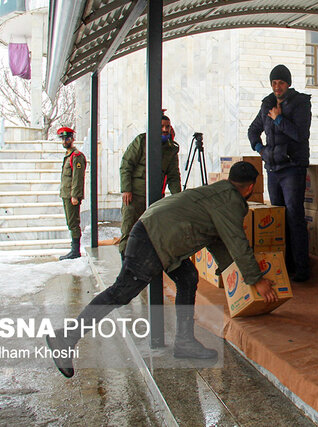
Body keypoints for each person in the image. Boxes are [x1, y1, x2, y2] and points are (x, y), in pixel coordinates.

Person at [46, 161, 278, 378]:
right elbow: (237, 242)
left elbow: (218, 241)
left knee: (187, 277)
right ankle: (66, 337)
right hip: (153, 239)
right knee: (121, 292)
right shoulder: (231, 202)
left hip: (156, 232)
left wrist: (232, 274)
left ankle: (185, 341)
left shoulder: (218, 192)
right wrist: (256, 280)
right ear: (250, 188)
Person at [248, 64, 312, 282]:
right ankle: (286, 265)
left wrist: (278, 120)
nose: (277, 87)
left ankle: (302, 269)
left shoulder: (301, 103)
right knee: (280, 218)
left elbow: (300, 135)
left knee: (295, 217)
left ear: (288, 84)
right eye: (274, 83)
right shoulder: (267, 104)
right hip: (273, 169)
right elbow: (253, 130)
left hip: (293, 168)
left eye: (281, 83)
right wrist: (261, 150)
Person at [119, 114, 181, 258]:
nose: (165, 130)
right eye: (161, 127)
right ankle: (126, 267)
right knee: (128, 231)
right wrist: (126, 189)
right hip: (134, 196)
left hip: (155, 197)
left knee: (152, 234)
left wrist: (178, 197)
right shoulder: (142, 141)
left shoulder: (171, 149)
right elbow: (126, 165)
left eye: (167, 127)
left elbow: (173, 176)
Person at [57, 127, 86, 260]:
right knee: (70, 222)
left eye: (67, 138)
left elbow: (77, 177)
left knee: (73, 222)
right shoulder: (68, 155)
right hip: (66, 194)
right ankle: (73, 249)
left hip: (71, 195)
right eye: (63, 139)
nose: (64, 141)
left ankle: (75, 251)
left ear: (72, 139)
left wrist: (75, 195)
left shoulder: (76, 156)